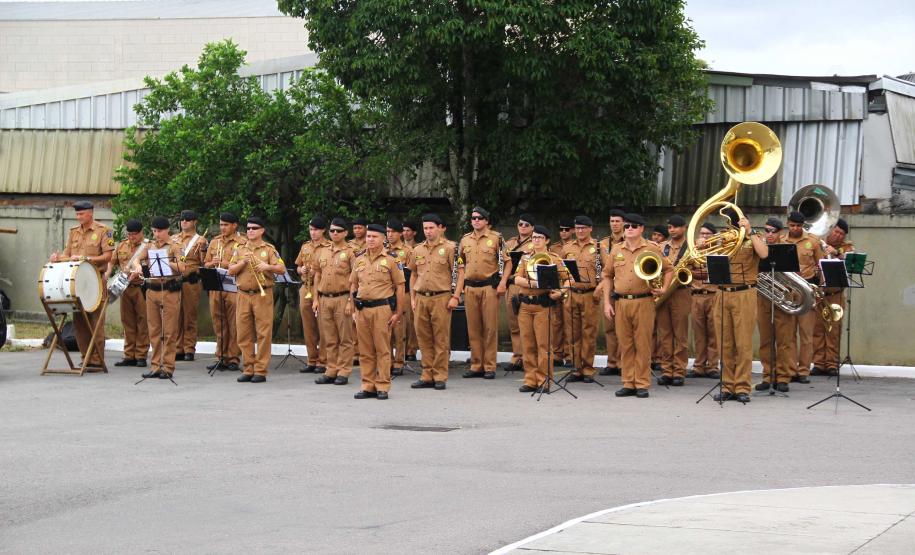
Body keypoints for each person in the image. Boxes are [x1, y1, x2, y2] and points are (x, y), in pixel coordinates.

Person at [602, 213, 671, 398]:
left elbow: (669, 269)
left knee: (642, 343)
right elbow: (607, 275)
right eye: (627, 226)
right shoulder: (617, 249)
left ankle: (641, 383)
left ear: (641, 228)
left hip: (644, 300)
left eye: (633, 226)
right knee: (625, 344)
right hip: (622, 301)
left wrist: (664, 288)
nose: (629, 229)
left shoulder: (651, 248)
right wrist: (607, 302)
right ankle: (628, 382)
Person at [49, 200, 114, 369]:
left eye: (81, 214)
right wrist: (57, 259)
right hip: (76, 283)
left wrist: (87, 259)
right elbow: (67, 255)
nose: (78, 217)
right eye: (77, 214)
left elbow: (108, 257)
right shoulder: (73, 232)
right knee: (79, 322)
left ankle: (97, 360)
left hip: (96, 282)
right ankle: (85, 357)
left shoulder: (104, 231)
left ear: (90, 213)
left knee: (95, 323)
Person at [712, 211, 768, 403]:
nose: (731, 223)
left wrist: (750, 231)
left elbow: (764, 253)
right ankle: (727, 386)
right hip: (722, 292)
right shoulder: (724, 238)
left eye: (733, 220)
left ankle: (742, 386)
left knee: (743, 343)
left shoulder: (755, 237)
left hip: (744, 292)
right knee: (724, 343)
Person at [351, 223, 406, 400]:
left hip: (382, 309)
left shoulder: (391, 259)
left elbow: (400, 287)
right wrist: (352, 308)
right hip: (362, 309)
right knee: (365, 350)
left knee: (382, 349)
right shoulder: (359, 259)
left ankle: (382, 385)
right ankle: (368, 385)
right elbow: (353, 284)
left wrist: (397, 312)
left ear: (383, 239)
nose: (370, 240)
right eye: (368, 236)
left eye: (374, 237)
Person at [512, 225, 571, 392]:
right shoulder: (525, 258)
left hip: (543, 306)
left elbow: (569, 279)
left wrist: (560, 292)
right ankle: (530, 380)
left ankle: (544, 380)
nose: (536, 240)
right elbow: (516, 279)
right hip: (525, 305)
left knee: (543, 345)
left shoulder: (554, 258)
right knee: (528, 344)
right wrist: (534, 283)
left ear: (547, 240)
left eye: (539, 237)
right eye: (534, 237)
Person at [229, 216, 285, 383]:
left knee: (263, 333)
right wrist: (242, 263)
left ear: (262, 231)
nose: (250, 231)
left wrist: (267, 266)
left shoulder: (268, 249)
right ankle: (248, 368)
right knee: (243, 333)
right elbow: (231, 270)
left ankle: (260, 370)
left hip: (263, 294)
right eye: (248, 228)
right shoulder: (239, 249)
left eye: (254, 228)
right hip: (243, 294)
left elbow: (281, 268)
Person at [454, 207, 506, 380]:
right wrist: (459, 285)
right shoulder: (465, 240)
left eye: (480, 218)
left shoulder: (496, 238)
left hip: (488, 287)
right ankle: (476, 365)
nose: (476, 221)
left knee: (490, 327)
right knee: (473, 328)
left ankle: (489, 366)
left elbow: (507, 262)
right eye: (473, 218)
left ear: (486, 221)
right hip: (470, 288)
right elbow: (459, 262)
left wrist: (503, 282)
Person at [408, 213, 458, 390]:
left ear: (440, 228)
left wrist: (455, 296)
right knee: (423, 338)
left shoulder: (450, 248)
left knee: (441, 339)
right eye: (425, 228)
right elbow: (414, 274)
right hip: (421, 297)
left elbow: (459, 274)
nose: (428, 231)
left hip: (441, 297)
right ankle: (426, 374)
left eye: (431, 228)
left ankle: (440, 375)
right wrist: (413, 298)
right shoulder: (418, 249)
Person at [131, 216, 185, 379]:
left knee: (169, 331)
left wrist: (166, 262)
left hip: (169, 290)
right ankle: (155, 366)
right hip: (152, 290)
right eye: (154, 231)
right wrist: (139, 266)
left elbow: (182, 267)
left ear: (167, 230)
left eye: (159, 231)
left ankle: (167, 367)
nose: (157, 234)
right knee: (154, 330)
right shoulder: (149, 245)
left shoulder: (176, 246)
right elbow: (135, 260)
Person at [781, 211, 826, 383]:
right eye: (792, 225)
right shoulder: (781, 241)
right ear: (788, 224)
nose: (795, 229)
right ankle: (791, 370)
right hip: (789, 291)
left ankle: (804, 370)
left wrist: (820, 289)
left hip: (807, 290)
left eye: (798, 226)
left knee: (806, 334)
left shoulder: (812, 241)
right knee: (789, 333)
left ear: (803, 226)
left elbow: (821, 265)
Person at [312, 218, 357, 385]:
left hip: (343, 297)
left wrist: (350, 302)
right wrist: (315, 298)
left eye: (339, 230)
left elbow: (355, 279)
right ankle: (331, 369)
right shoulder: (323, 251)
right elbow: (317, 274)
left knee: (345, 337)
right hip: (325, 297)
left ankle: (344, 371)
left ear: (346, 232)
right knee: (329, 337)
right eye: (332, 231)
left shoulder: (351, 251)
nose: (335, 233)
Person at [754, 218, 796, 392]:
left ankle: (783, 377)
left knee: (784, 340)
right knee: (766, 339)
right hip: (763, 297)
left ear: (780, 233)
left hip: (782, 296)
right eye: (767, 230)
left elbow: (795, 272)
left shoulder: (788, 248)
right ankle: (767, 376)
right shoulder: (758, 247)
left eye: (774, 231)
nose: (770, 234)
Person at [560, 215, 601, 383]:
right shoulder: (568, 247)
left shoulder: (598, 247)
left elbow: (607, 272)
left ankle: (588, 368)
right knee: (573, 333)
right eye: (577, 228)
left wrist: (600, 287)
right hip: (572, 293)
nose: (580, 231)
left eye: (584, 228)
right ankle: (576, 368)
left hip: (590, 294)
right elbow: (561, 269)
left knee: (588, 333)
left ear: (590, 229)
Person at [202, 212, 245, 372]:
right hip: (216, 287)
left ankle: (233, 358)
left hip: (233, 288)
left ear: (234, 225)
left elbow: (244, 265)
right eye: (221, 225)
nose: (223, 228)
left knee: (233, 323)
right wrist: (211, 263)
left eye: (226, 225)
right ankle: (221, 356)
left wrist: (226, 263)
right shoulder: (214, 242)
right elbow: (205, 263)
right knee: (218, 323)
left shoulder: (242, 242)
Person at [812, 218, 854, 376]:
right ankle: (818, 363)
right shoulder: (818, 242)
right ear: (831, 230)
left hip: (835, 294)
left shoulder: (846, 247)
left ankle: (831, 363)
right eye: (836, 231)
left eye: (841, 234)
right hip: (819, 293)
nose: (838, 236)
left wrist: (836, 252)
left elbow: (851, 259)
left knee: (833, 330)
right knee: (817, 329)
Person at [107, 218, 149, 368]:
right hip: (124, 288)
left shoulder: (148, 246)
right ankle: (129, 355)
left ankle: (141, 355)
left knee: (142, 322)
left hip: (140, 287)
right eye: (129, 234)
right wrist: (108, 273)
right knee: (127, 321)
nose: (131, 237)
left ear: (141, 233)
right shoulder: (122, 245)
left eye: (134, 234)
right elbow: (112, 261)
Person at [655, 215, 692, 386]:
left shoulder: (691, 247)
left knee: (680, 335)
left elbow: (701, 271)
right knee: (665, 334)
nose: (672, 230)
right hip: (663, 292)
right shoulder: (661, 247)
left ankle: (679, 371)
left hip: (681, 293)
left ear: (684, 228)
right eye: (670, 227)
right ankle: (666, 370)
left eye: (676, 227)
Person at [296, 217, 330, 373]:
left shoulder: (329, 247)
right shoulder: (305, 247)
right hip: (306, 287)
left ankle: (323, 361)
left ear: (323, 230)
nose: (313, 233)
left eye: (316, 229)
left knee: (323, 326)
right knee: (308, 326)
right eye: (311, 229)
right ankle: (311, 360)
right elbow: (298, 266)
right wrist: (301, 270)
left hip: (322, 288)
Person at [172, 210, 208, 361]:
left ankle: (189, 348)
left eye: (188, 219)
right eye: (182, 220)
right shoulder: (173, 239)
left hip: (191, 281)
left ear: (195, 222)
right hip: (174, 281)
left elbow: (204, 262)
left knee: (190, 316)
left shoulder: (201, 240)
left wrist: (203, 249)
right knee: (175, 316)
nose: (184, 222)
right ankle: (177, 347)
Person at [502, 214, 535, 373]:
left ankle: (528, 358)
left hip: (527, 286)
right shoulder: (510, 243)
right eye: (520, 224)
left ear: (532, 227)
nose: (523, 226)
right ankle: (517, 357)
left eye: (527, 224)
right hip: (511, 285)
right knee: (514, 325)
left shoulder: (536, 242)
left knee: (527, 325)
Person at [687, 222, 719, 379]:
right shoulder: (693, 250)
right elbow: (686, 269)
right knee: (698, 333)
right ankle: (699, 366)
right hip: (697, 295)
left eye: (708, 234)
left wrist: (700, 274)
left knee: (713, 333)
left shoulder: (720, 250)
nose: (704, 237)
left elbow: (719, 271)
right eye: (702, 234)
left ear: (714, 236)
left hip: (713, 294)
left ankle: (713, 366)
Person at [597, 208, 626, 376]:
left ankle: (623, 362)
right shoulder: (602, 244)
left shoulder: (628, 241)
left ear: (623, 223)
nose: (614, 224)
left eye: (617, 221)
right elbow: (601, 268)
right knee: (609, 329)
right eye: (612, 221)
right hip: (608, 289)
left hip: (623, 289)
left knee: (622, 329)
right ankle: (612, 362)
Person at [386, 219, 414, 376]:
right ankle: (387, 360)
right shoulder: (382, 249)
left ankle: (399, 361)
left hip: (402, 293)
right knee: (385, 329)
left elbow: (409, 274)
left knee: (399, 329)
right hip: (384, 294)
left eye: (393, 232)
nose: (389, 235)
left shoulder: (407, 251)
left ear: (400, 233)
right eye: (387, 232)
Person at [550, 218, 574, 364]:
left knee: (570, 323)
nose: (563, 232)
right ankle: (557, 354)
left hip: (569, 287)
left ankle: (570, 354)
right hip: (555, 287)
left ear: (572, 230)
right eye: (561, 230)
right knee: (556, 322)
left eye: (567, 229)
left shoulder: (574, 246)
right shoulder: (553, 248)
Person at [348, 217, 367, 366]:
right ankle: (355, 353)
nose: (357, 231)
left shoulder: (371, 241)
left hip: (367, 283)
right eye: (355, 228)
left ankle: (364, 353)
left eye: (360, 228)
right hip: (354, 281)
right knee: (354, 321)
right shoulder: (349, 245)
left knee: (365, 322)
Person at [401, 220, 420, 360]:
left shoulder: (418, 248)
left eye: (409, 230)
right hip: (401, 287)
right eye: (404, 230)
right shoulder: (398, 249)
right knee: (402, 321)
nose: (406, 233)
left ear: (414, 232)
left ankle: (411, 349)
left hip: (414, 287)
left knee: (412, 321)